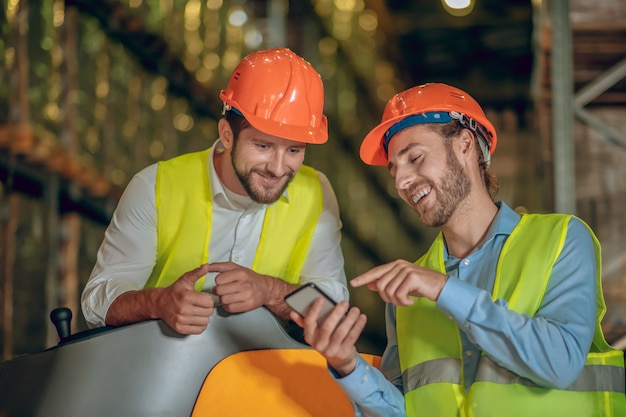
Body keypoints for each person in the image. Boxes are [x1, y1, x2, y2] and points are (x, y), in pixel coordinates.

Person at [291, 83, 626, 416]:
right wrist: (348, 366)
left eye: (415, 158)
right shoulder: (406, 296)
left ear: (465, 144)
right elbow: (404, 410)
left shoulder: (561, 239)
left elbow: (560, 362)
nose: (401, 182)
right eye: (395, 168)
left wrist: (443, 289)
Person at [81, 47, 348, 335]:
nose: (278, 168)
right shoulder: (156, 187)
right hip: (162, 369)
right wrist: (158, 302)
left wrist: (270, 291)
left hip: (260, 373)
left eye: (294, 150)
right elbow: (97, 302)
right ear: (227, 134)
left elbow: (332, 310)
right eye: (263, 146)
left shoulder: (316, 193)